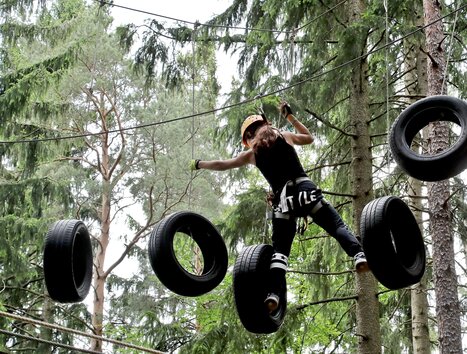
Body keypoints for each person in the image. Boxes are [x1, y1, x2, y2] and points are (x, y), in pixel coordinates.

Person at [190, 101, 368, 313]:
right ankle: (359, 255)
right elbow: (309, 137)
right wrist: (290, 117)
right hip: (306, 191)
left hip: (284, 202)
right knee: (335, 225)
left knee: (280, 253)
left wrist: (199, 163)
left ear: (248, 138)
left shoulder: (251, 154)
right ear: (266, 124)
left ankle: (273, 294)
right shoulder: (285, 136)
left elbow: (222, 164)